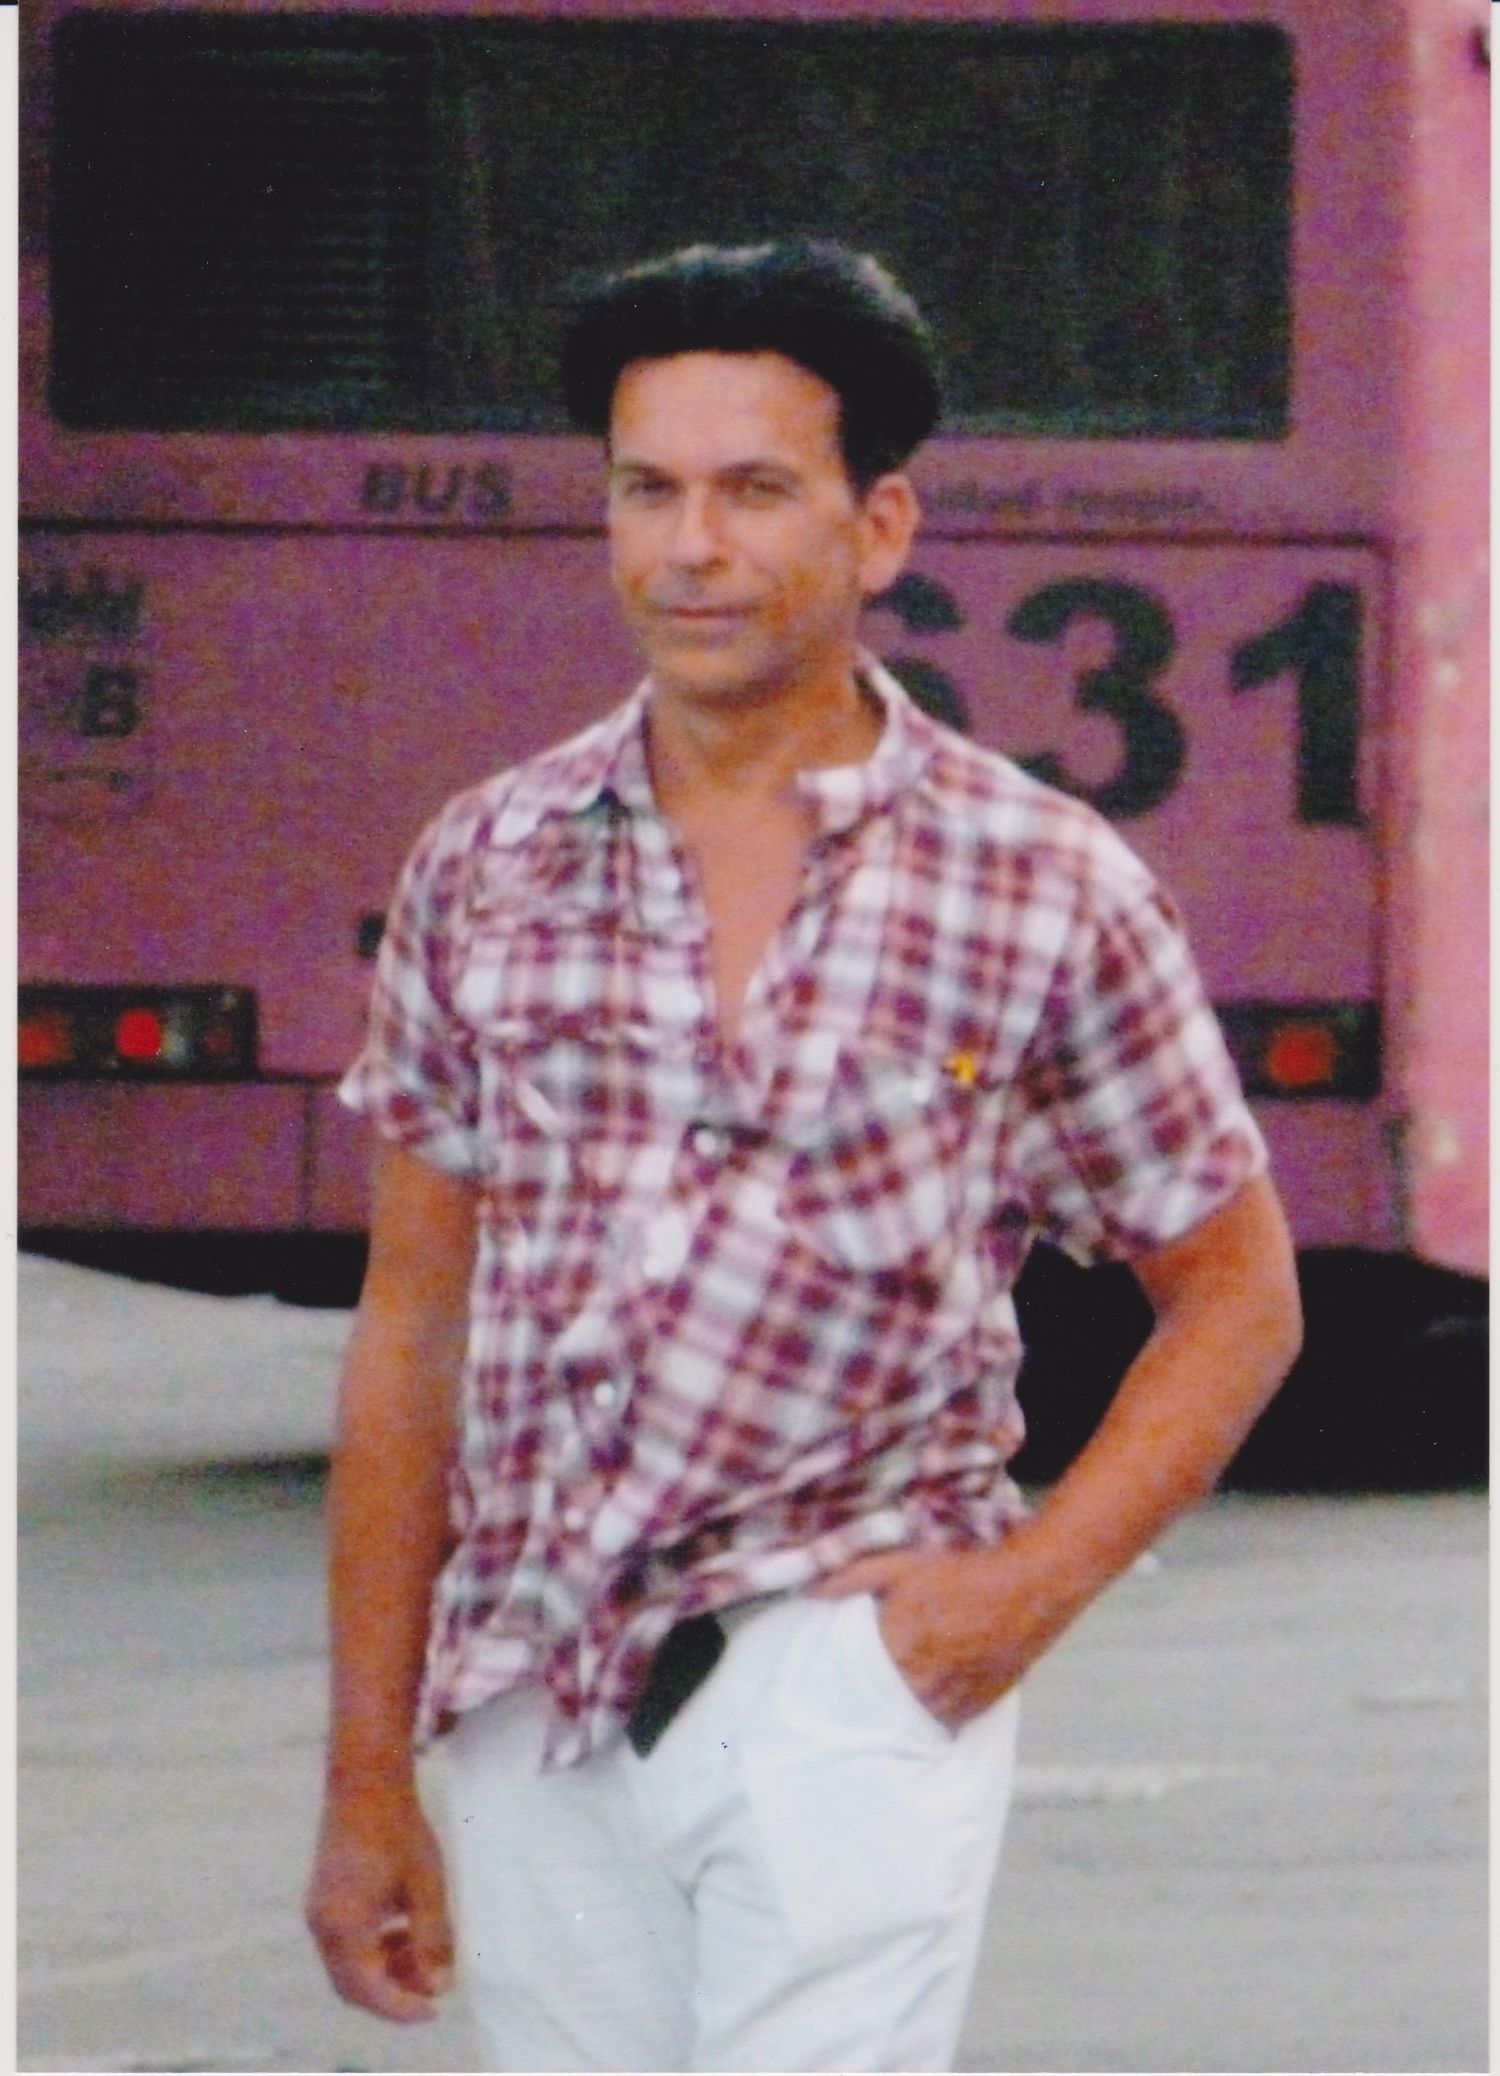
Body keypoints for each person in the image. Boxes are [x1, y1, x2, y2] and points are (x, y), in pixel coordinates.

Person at [305, 238, 1302, 2072]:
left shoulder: (1041, 885)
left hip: (843, 1673)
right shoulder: (486, 864)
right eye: (648, 491)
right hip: (532, 1687)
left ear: (879, 524)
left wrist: (1011, 1603)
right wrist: (367, 1772)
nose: (691, 548)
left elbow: (1237, 1299)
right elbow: (412, 1324)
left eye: (756, 491)